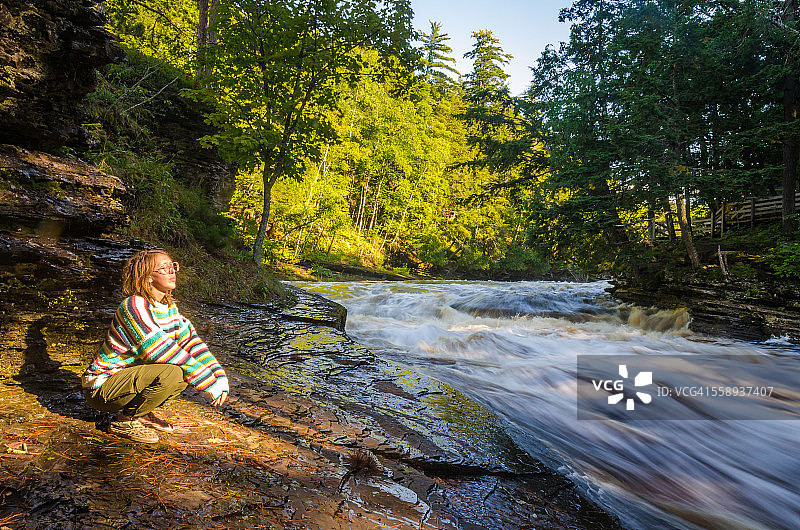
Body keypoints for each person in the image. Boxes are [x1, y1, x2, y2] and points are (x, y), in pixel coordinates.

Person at [82, 249, 229, 443]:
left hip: (130, 378)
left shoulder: (170, 310)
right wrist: (207, 382)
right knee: (174, 372)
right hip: (102, 387)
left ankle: (140, 412)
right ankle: (124, 421)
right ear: (148, 277)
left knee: (182, 372)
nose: (172, 271)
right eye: (164, 268)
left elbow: (193, 344)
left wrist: (220, 378)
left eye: (173, 266)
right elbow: (159, 349)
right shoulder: (133, 306)